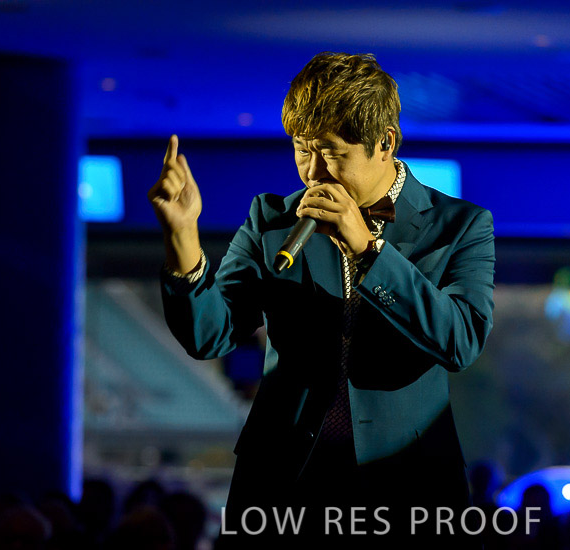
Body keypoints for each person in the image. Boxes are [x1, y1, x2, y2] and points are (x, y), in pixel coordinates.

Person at [149, 52, 495, 548]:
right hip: (283, 482)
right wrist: (182, 238)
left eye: (330, 152)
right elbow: (209, 334)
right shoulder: (272, 220)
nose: (313, 172)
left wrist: (369, 250)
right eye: (301, 149)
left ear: (385, 143)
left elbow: (461, 341)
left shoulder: (459, 226)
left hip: (406, 484)